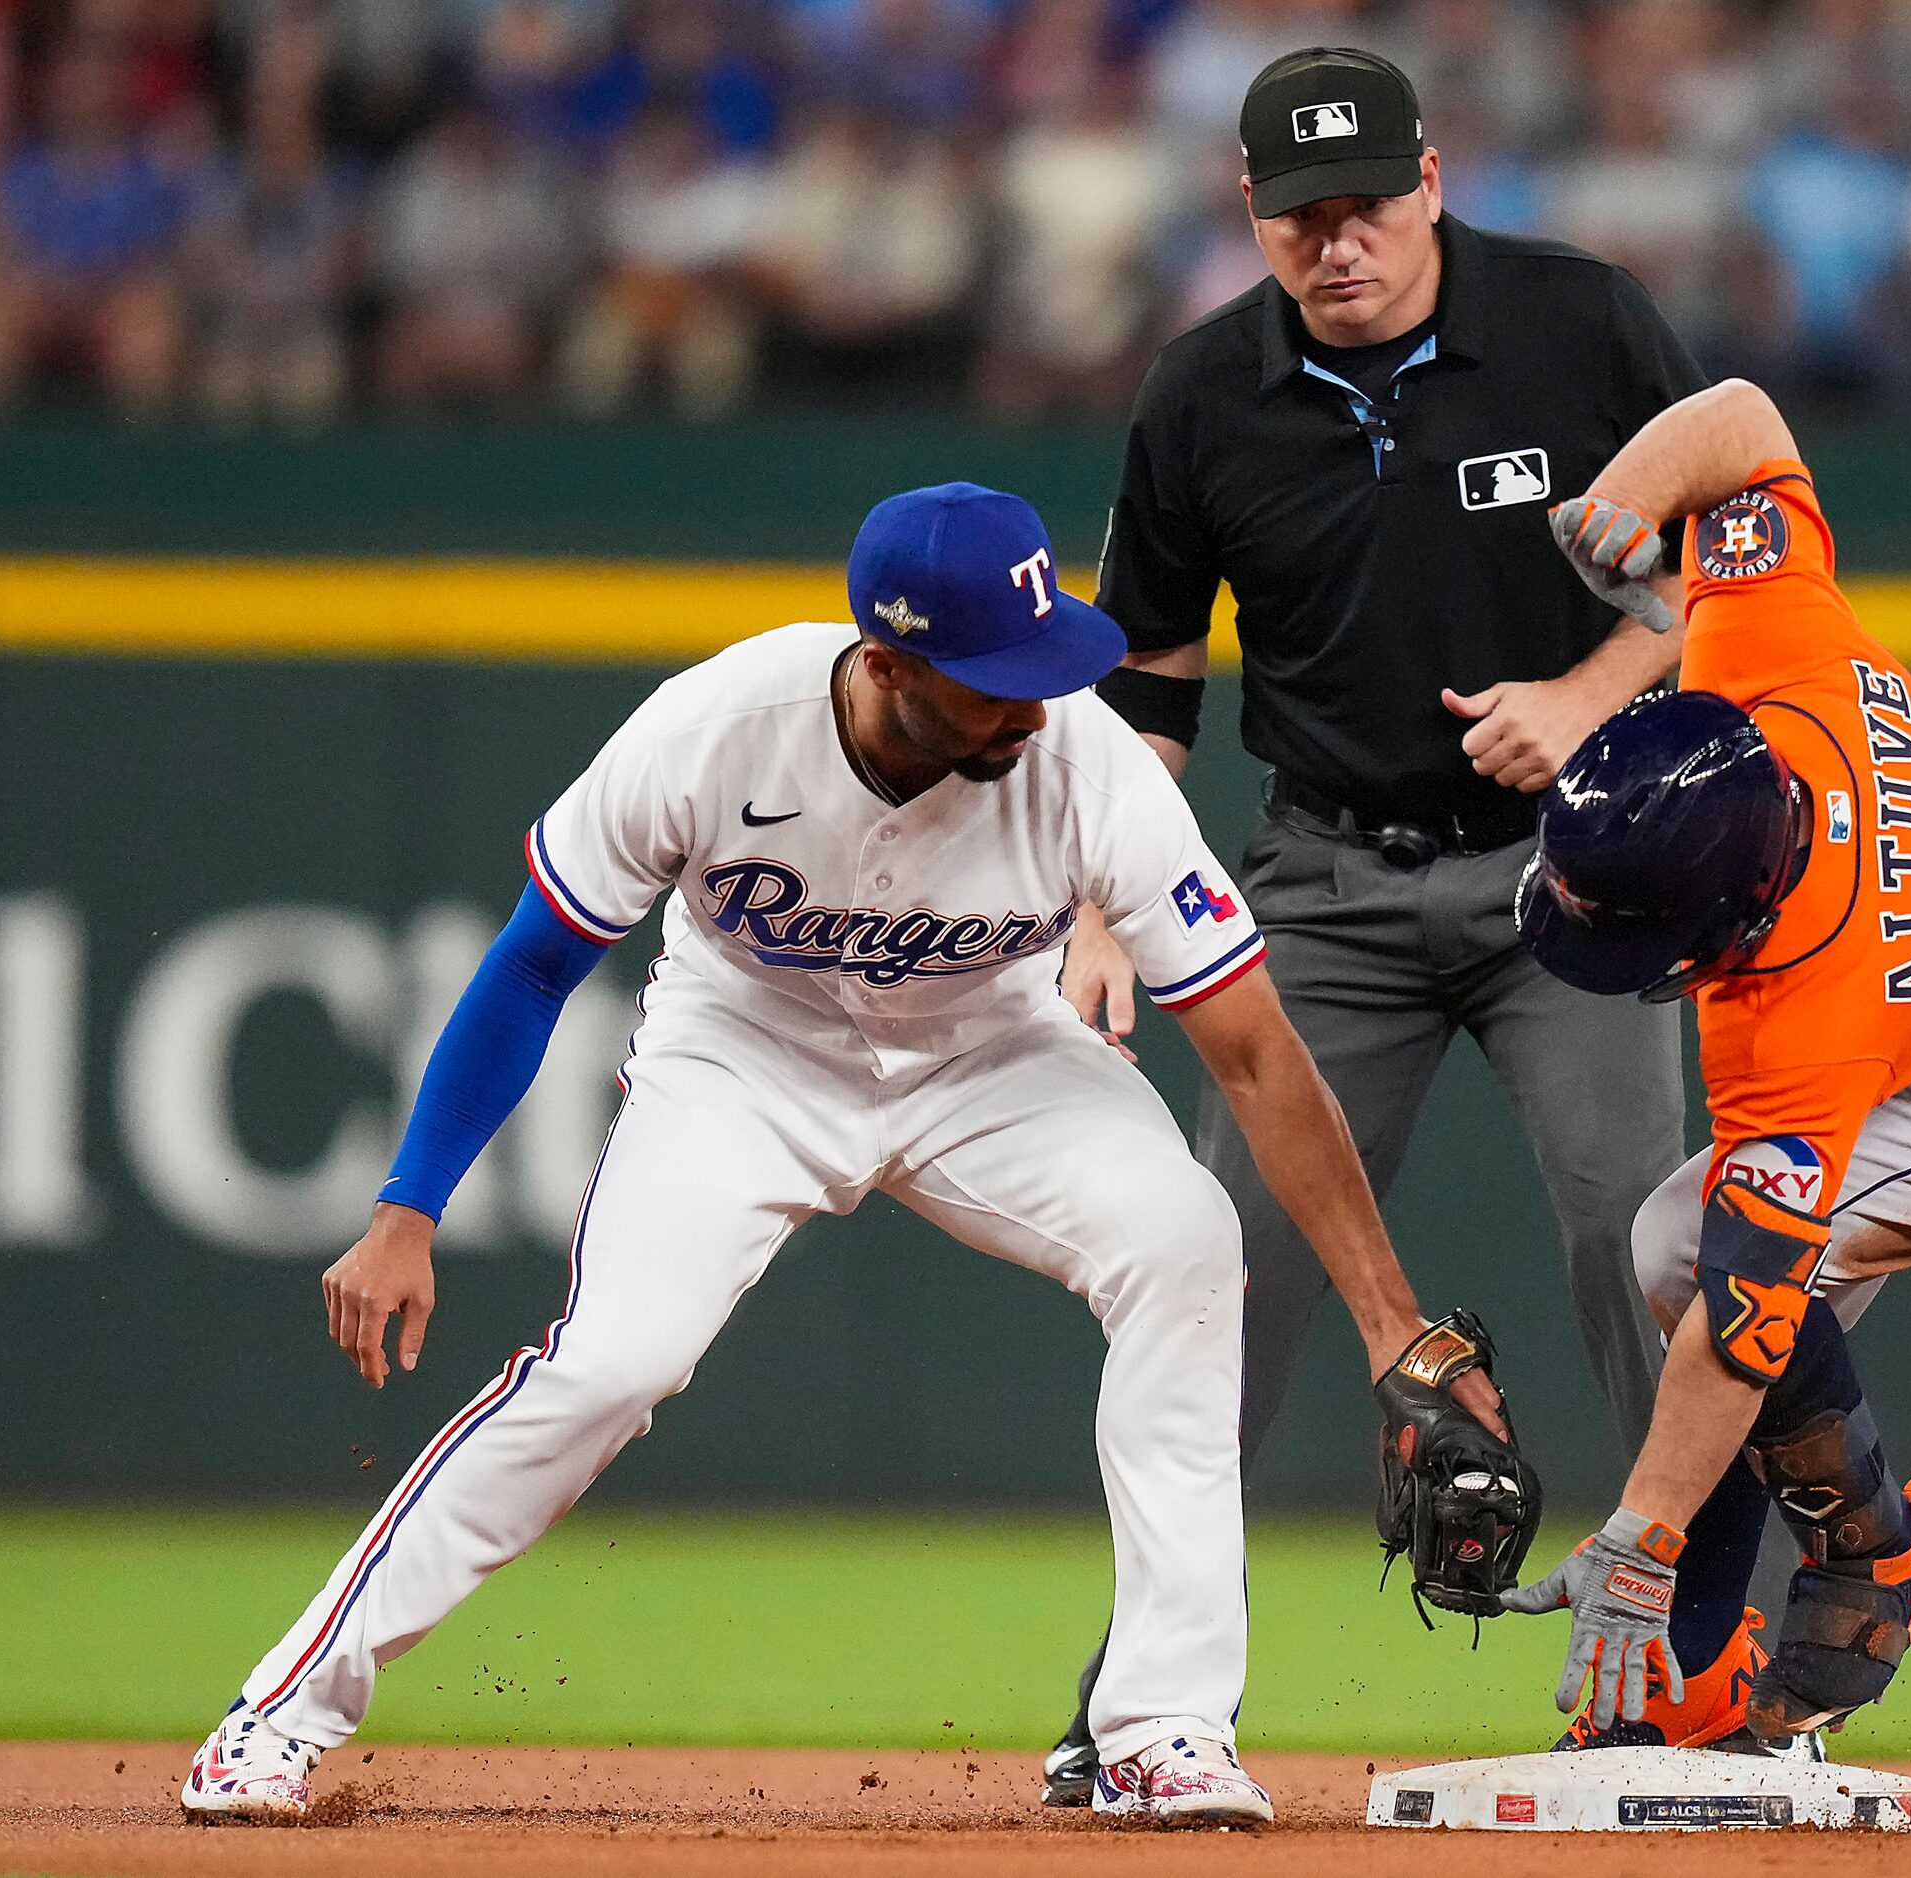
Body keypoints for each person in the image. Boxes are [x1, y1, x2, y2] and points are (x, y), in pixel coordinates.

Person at [177, 483, 1500, 1830]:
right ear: (887, 661)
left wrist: (1393, 1326)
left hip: (994, 1050)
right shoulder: (716, 727)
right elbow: (532, 964)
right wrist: (409, 1204)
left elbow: (1258, 1052)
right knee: (615, 1362)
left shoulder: (1083, 764)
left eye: (1039, 670)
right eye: (993, 680)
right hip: (743, 1053)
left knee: (1185, 1244)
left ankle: (1161, 1725)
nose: (1031, 707)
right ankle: (282, 1710)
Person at [1040, 45, 1706, 1803]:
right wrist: (1112, 895)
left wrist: (1585, 690)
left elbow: (1729, 575)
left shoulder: (1581, 327)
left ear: (1430, 179)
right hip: (1324, 881)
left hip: (1575, 874)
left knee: (1646, 1245)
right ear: (1253, 223)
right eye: (1298, 216)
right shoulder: (1202, 394)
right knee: (1212, 1278)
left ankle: (1679, 1663)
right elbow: (1151, 675)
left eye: (1363, 204)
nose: (1337, 243)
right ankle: (1144, 1701)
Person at [1502, 379, 1911, 1752]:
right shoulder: (1756, 640)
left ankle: (1882, 1558)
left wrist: (1637, 1529)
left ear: (1728, 915)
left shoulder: (1799, 1012)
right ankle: (1697, 1672)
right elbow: (1741, 415)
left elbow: (1742, 1307)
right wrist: (1630, 491)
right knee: (1748, 1295)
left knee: (1697, 1248)